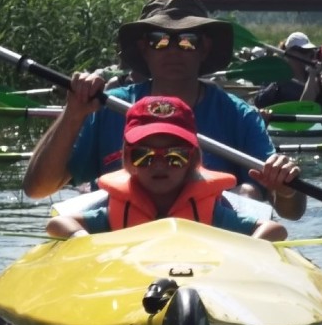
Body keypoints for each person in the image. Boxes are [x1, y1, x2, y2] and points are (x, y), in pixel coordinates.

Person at [22, 0, 306, 220]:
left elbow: (292, 212)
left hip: (214, 257)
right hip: (119, 250)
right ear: (143, 48)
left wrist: (287, 189)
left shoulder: (238, 115)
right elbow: (37, 188)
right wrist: (73, 114)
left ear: (204, 47)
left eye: (186, 40)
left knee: (248, 192)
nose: (172, 49)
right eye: (159, 40)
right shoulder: (108, 108)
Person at [46, 96, 288, 242]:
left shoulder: (213, 212)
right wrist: (83, 240)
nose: (159, 164)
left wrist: (248, 250)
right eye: (145, 156)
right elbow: (59, 224)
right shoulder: (116, 209)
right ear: (129, 161)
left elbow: (274, 229)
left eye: (174, 156)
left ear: (192, 161)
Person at [253, 31, 317, 108]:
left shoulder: (313, 75)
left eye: (310, 52)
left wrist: (312, 75)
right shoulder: (275, 75)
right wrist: (276, 84)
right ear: (289, 53)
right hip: (281, 118)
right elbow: (259, 103)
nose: (308, 55)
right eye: (303, 51)